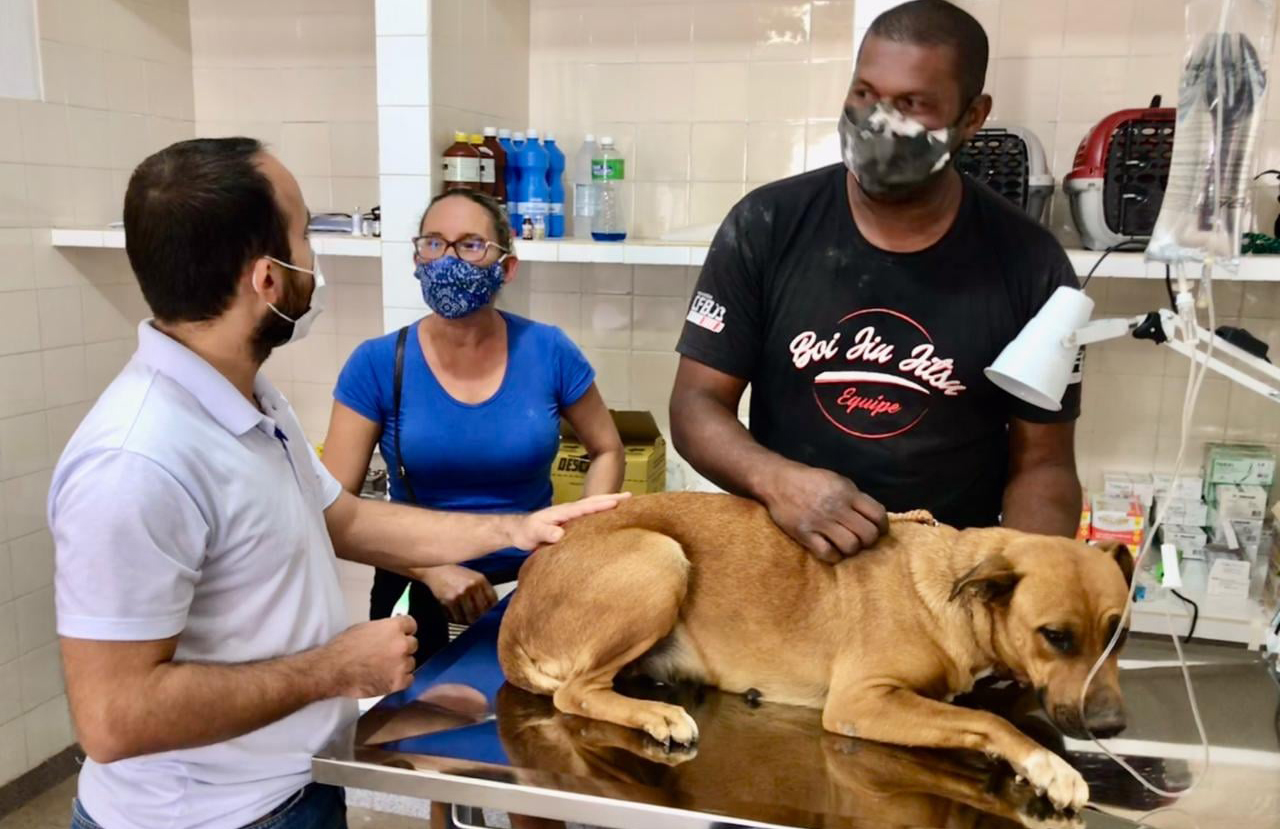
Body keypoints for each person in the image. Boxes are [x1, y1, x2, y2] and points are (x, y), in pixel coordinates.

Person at [48, 137, 626, 829]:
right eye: (304, 236)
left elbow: (344, 519)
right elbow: (112, 719)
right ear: (268, 279)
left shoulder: (253, 404)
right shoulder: (135, 460)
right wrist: (335, 668)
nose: (315, 260)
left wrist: (517, 529)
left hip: (296, 789)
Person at [671, 0, 1083, 564]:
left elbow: (1045, 465)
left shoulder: (1032, 265)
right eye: (865, 93)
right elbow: (695, 405)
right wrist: (778, 481)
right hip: (789, 562)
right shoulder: (766, 225)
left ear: (972, 116)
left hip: (942, 574)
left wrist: (1020, 579)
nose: (878, 122)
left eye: (912, 104)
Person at [323, 189, 624, 662]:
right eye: (433, 243)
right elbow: (332, 511)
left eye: (470, 244)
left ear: (507, 266)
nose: (448, 259)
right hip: (418, 586)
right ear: (417, 259)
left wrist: (574, 549)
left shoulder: (548, 350)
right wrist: (432, 570)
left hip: (531, 582)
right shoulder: (377, 363)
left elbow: (607, 449)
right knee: (418, 707)